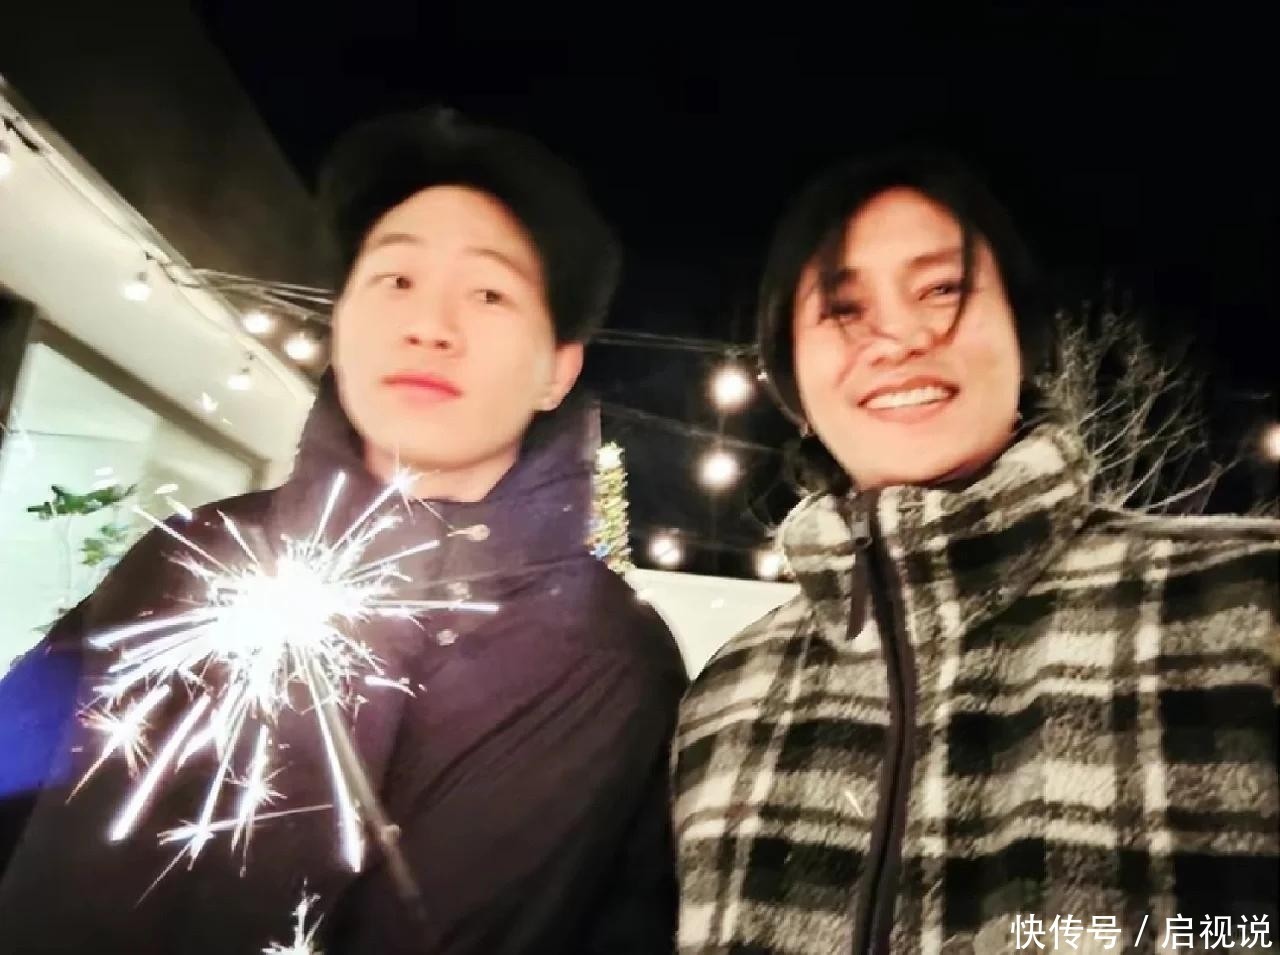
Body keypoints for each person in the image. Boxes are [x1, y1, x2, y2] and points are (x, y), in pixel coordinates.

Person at [0, 107, 687, 954]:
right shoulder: (182, 563)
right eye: (395, 279)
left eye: (489, 292)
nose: (430, 324)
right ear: (341, 319)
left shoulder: (617, 668)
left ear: (558, 368)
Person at [672, 153, 1279, 953]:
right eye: (845, 309)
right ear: (793, 384)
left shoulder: (1242, 600)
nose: (899, 336)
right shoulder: (724, 698)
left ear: (1022, 334)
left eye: (942, 289)